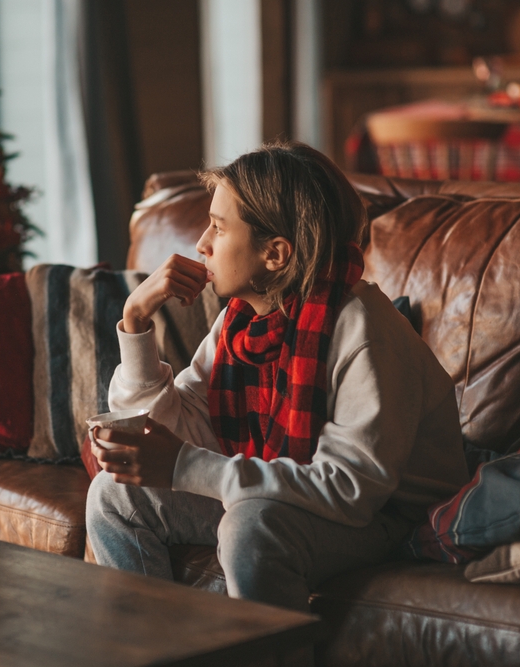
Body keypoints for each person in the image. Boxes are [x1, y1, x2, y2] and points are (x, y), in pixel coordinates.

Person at [85, 142, 469, 612]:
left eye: (219, 228)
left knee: (252, 524)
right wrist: (136, 321)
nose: (202, 243)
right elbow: (175, 427)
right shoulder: (240, 322)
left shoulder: (364, 331)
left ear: (276, 254)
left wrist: (185, 466)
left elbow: (349, 489)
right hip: (299, 494)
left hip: (390, 517)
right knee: (114, 494)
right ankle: (156, 652)